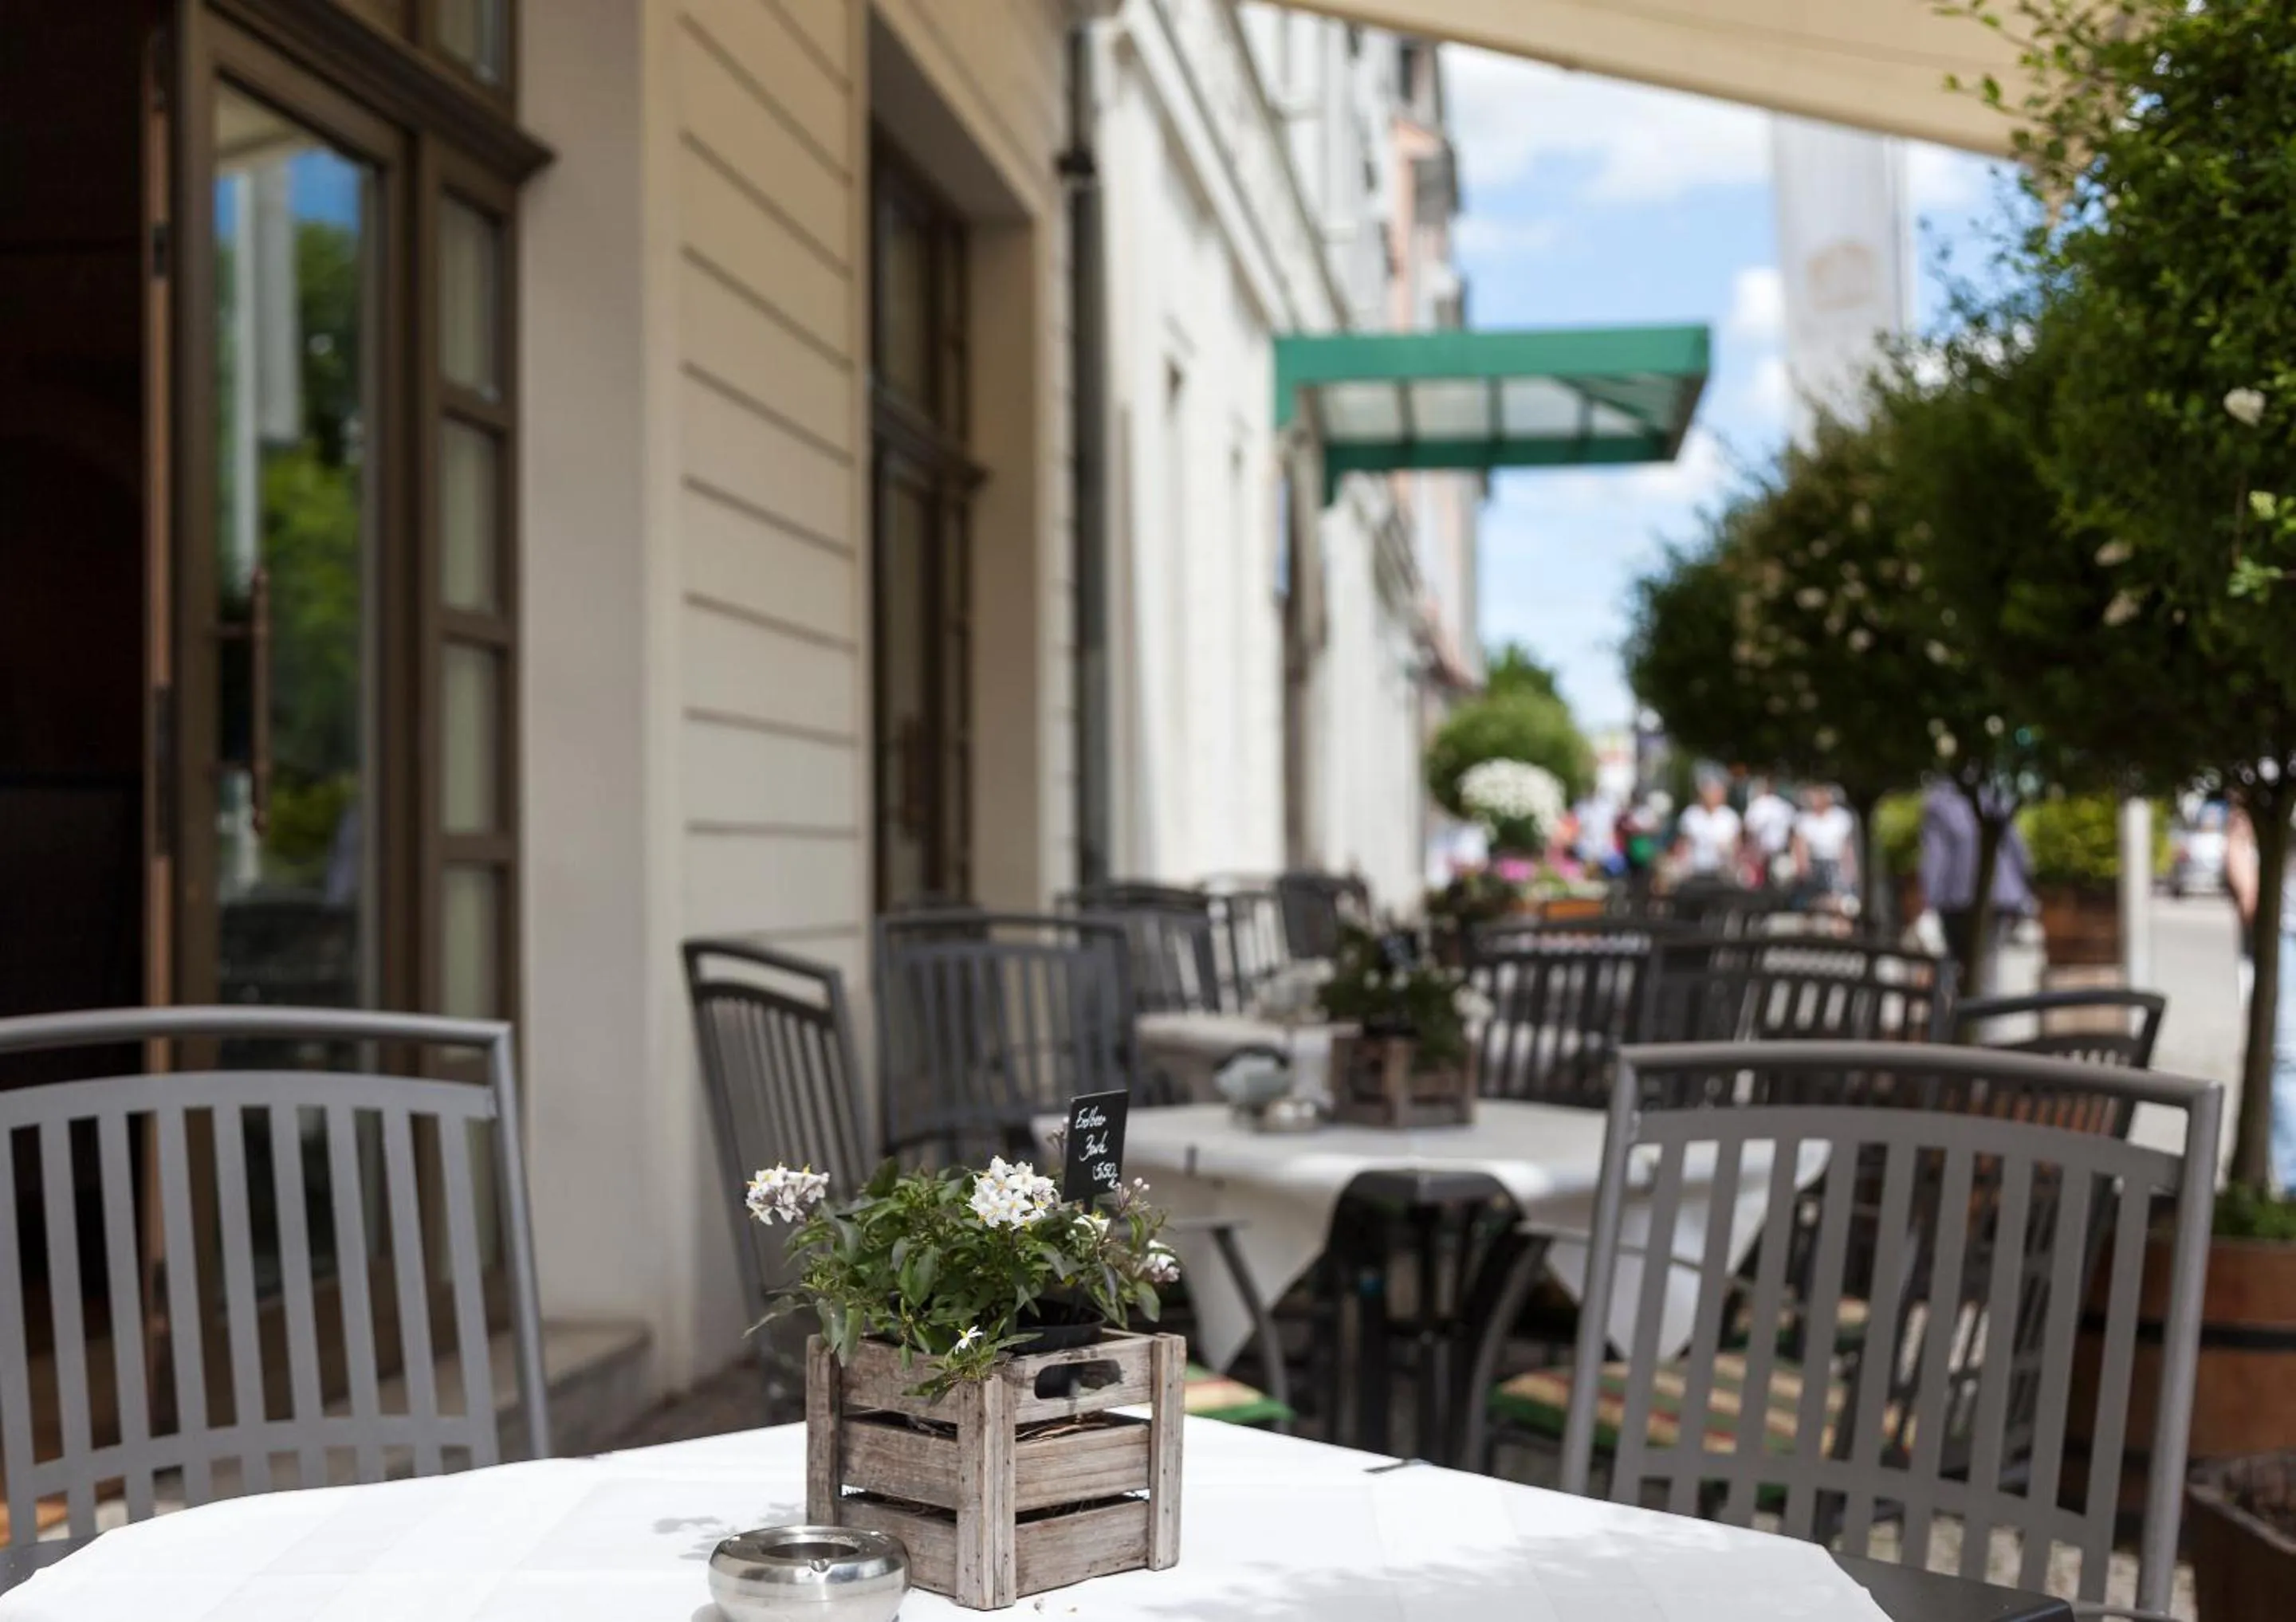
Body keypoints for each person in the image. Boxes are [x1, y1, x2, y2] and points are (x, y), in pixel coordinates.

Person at [2225, 804, 2296, 1192]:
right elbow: (2238, 829)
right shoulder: (2267, 761)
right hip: (2283, 928)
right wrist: (2250, 888)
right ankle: (2292, 1186)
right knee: (2285, 1056)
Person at [1917, 779, 2035, 994]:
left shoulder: (1938, 802)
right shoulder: (1992, 794)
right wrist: (2024, 890)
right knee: (1988, 964)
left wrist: (1930, 903)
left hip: (1956, 900)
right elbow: (2018, 848)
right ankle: (1980, 1016)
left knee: (1961, 967)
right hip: (1998, 897)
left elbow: (1935, 858)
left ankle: (1969, 1018)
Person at [1791, 784, 1860, 905]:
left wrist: (1849, 869)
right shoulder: (1804, 819)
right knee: (1812, 902)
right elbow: (1800, 845)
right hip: (1815, 863)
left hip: (1835, 862)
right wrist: (1803, 868)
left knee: (1840, 901)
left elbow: (1847, 846)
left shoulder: (1841, 817)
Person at [1673, 776, 1743, 881]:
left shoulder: (1730, 816)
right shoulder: (1690, 814)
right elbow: (1681, 843)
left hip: (1722, 870)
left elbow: (1737, 844)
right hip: (1693, 869)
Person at [1744, 778, 1797, 886]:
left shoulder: (1758, 805)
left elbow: (1749, 832)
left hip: (1774, 852)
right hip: (1764, 853)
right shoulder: (1783, 806)